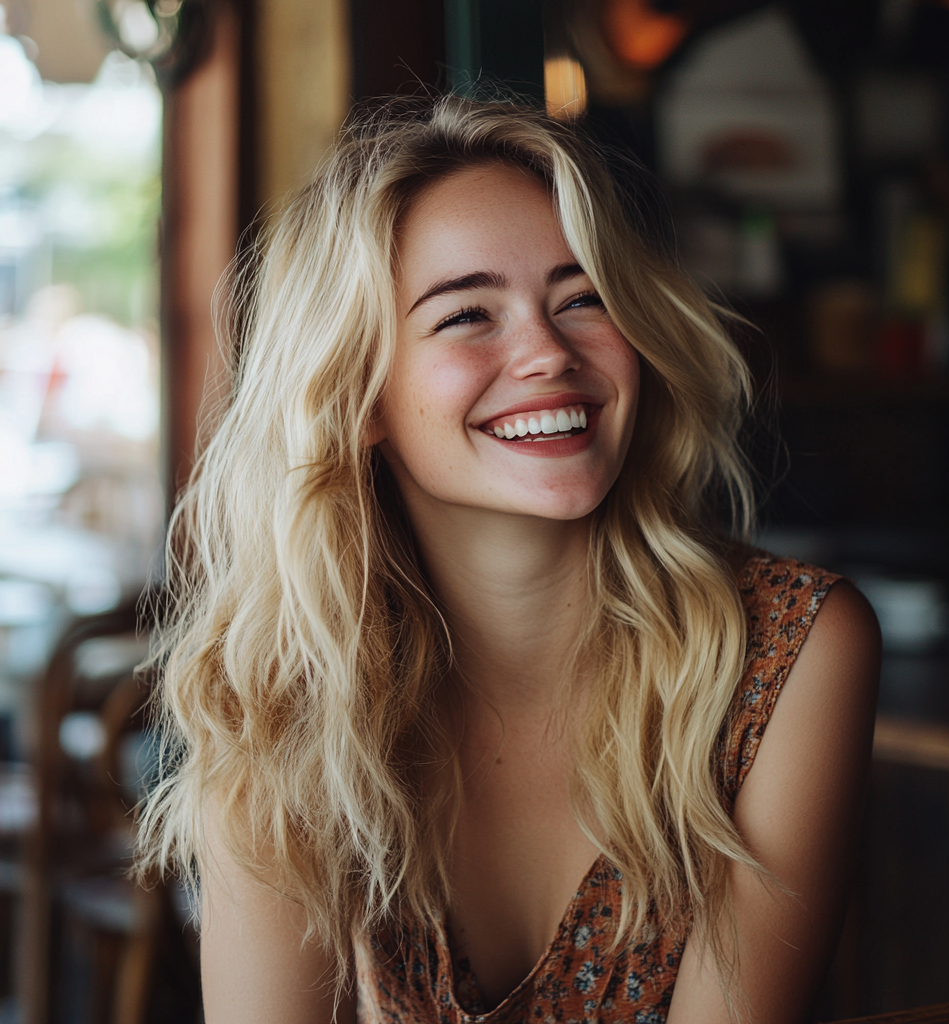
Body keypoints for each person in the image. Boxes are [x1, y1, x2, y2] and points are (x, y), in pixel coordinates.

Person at [137, 94, 880, 1024]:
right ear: (357, 394)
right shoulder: (286, 704)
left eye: (582, 299)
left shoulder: (789, 652)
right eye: (466, 316)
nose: (547, 352)